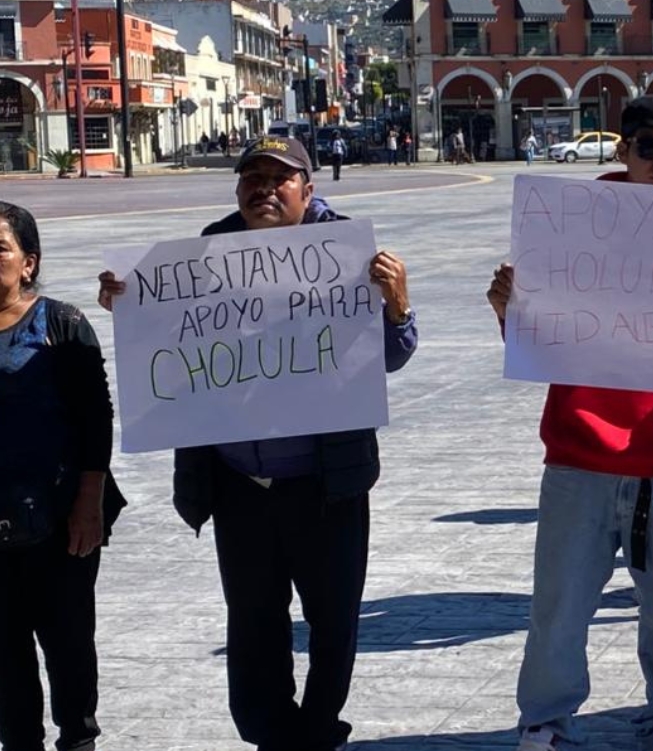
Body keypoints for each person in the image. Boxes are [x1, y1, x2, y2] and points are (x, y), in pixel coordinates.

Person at [96, 137, 418, 751]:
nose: (264, 189)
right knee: (252, 621)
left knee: (332, 621)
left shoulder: (350, 255)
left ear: (308, 190)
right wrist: (127, 305)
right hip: (239, 481)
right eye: (253, 177)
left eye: (280, 178)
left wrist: (397, 307)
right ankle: (270, 734)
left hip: (324, 483)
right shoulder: (199, 255)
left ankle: (318, 730)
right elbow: (166, 346)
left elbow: (393, 358)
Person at [486, 95, 653, 751]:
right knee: (559, 607)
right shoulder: (571, 228)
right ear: (622, 150)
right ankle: (545, 721)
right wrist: (509, 309)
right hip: (580, 451)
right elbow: (533, 338)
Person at [0, 202, 125, 751]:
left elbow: (96, 420)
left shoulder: (62, 324)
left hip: (59, 523)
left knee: (69, 648)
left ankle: (78, 739)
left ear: (29, 262)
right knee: (5, 664)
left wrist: (88, 503)